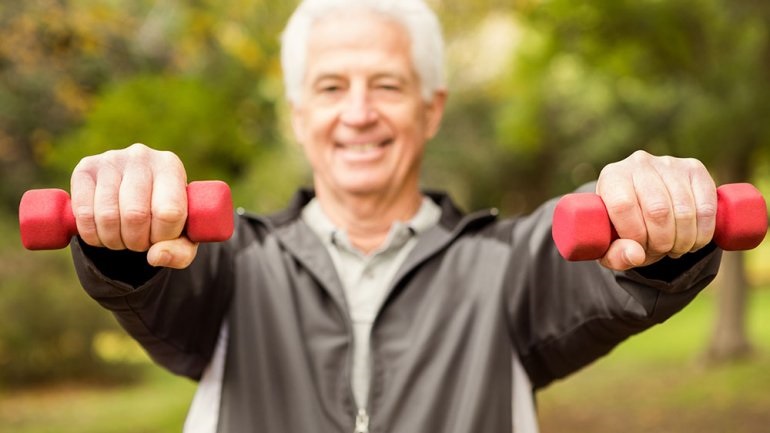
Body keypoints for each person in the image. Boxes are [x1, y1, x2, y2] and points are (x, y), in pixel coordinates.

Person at [68, 0, 722, 432]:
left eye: (386, 84)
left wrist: (644, 214)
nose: (358, 113)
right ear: (298, 115)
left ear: (430, 108)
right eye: (331, 88)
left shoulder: (508, 269)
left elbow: (589, 263)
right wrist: (127, 230)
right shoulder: (229, 264)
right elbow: (157, 286)